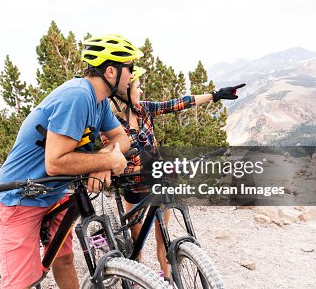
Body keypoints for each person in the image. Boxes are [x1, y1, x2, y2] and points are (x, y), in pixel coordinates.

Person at [0, 34, 142, 289]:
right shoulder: (78, 96)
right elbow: (55, 162)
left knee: (64, 258)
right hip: (21, 196)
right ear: (110, 71)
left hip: (53, 192)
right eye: (129, 68)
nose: (132, 75)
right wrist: (102, 161)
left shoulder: (99, 102)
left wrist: (105, 159)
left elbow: (120, 137)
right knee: (21, 284)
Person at [102, 66, 245, 283]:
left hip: (159, 183)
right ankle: (133, 277)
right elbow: (116, 164)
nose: (141, 92)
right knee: (136, 242)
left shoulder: (144, 110)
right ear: (125, 92)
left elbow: (177, 104)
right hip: (135, 186)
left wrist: (215, 95)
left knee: (163, 236)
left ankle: (166, 279)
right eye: (138, 87)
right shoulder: (112, 126)